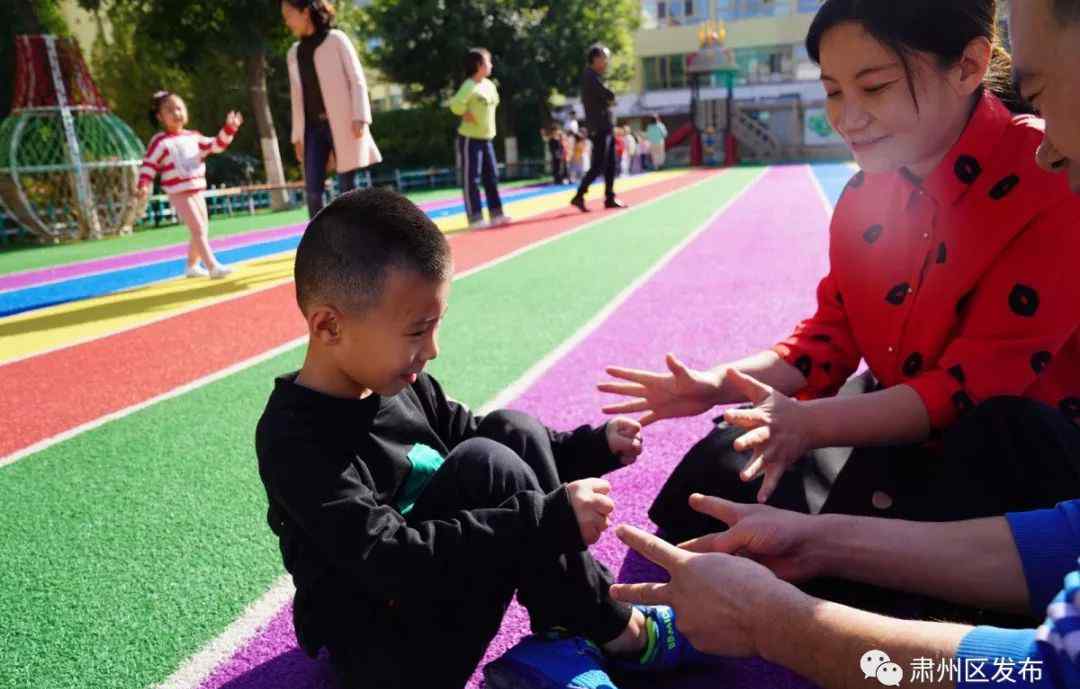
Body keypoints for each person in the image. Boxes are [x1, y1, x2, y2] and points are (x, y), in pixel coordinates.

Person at [608, 1, 1080, 686]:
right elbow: (829, 338)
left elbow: (976, 383)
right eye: (832, 91)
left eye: (875, 86)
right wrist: (719, 384)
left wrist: (804, 424)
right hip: (892, 427)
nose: (846, 115)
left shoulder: (1050, 167)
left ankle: (838, 617)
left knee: (992, 437)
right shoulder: (864, 197)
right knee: (728, 455)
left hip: (1009, 449)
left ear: (971, 66)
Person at [254, 188, 708, 689]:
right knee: (488, 464)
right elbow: (386, 558)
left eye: (436, 326)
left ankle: (565, 631)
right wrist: (545, 520)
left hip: (434, 592)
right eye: (417, 330)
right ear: (330, 326)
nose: (434, 349)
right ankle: (614, 627)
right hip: (380, 650)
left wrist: (590, 448)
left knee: (511, 428)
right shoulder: (294, 438)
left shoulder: (404, 381)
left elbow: (486, 436)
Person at [282, 0, 382, 219]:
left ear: (305, 12)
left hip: (343, 124)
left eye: (289, 14)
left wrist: (360, 116)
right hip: (312, 129)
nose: (286, 21)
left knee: (348, 190)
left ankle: (355, 241)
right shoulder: (294, 52)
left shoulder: (337, 40)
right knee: (313, 192)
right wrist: (297, 136)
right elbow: (297, 97)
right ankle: (319, 246)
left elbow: (357, 80)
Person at [137, 91, 240, 280]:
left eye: (179, 107)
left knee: (202, 228)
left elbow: (216, 145)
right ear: (160, 117)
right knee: (198, 228)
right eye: (169, 110)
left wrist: (229, 129)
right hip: (178, 191)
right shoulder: (160, 142)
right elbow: (149, 164)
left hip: (197, 188)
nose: (176, 113)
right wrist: (144, 183)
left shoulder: (194, 137)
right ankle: (212, 266)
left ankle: (191, 265)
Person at [450, 48, 511, 230]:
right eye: (488, 62)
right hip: (470, 139)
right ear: (478, 65)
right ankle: (475, 217)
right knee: (472, 178)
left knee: (491, 175)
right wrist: (465, 112)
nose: (491, 65)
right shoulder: (469, 85)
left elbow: (495, 102)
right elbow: (455, 105)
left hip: (486, 138)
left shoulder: (489, 85)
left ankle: (496, 213)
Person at [570, 45, 627, 212]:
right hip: (599, 126)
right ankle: (579, 195)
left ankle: (609, 197)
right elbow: (608, 95)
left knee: (610, 163)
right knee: (599, 164)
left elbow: (607, 96)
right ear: (595, 59)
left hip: (604, 125)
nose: (606, 62)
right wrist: (609, 96)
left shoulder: (595, 76)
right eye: (604, 57)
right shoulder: (590, 76)